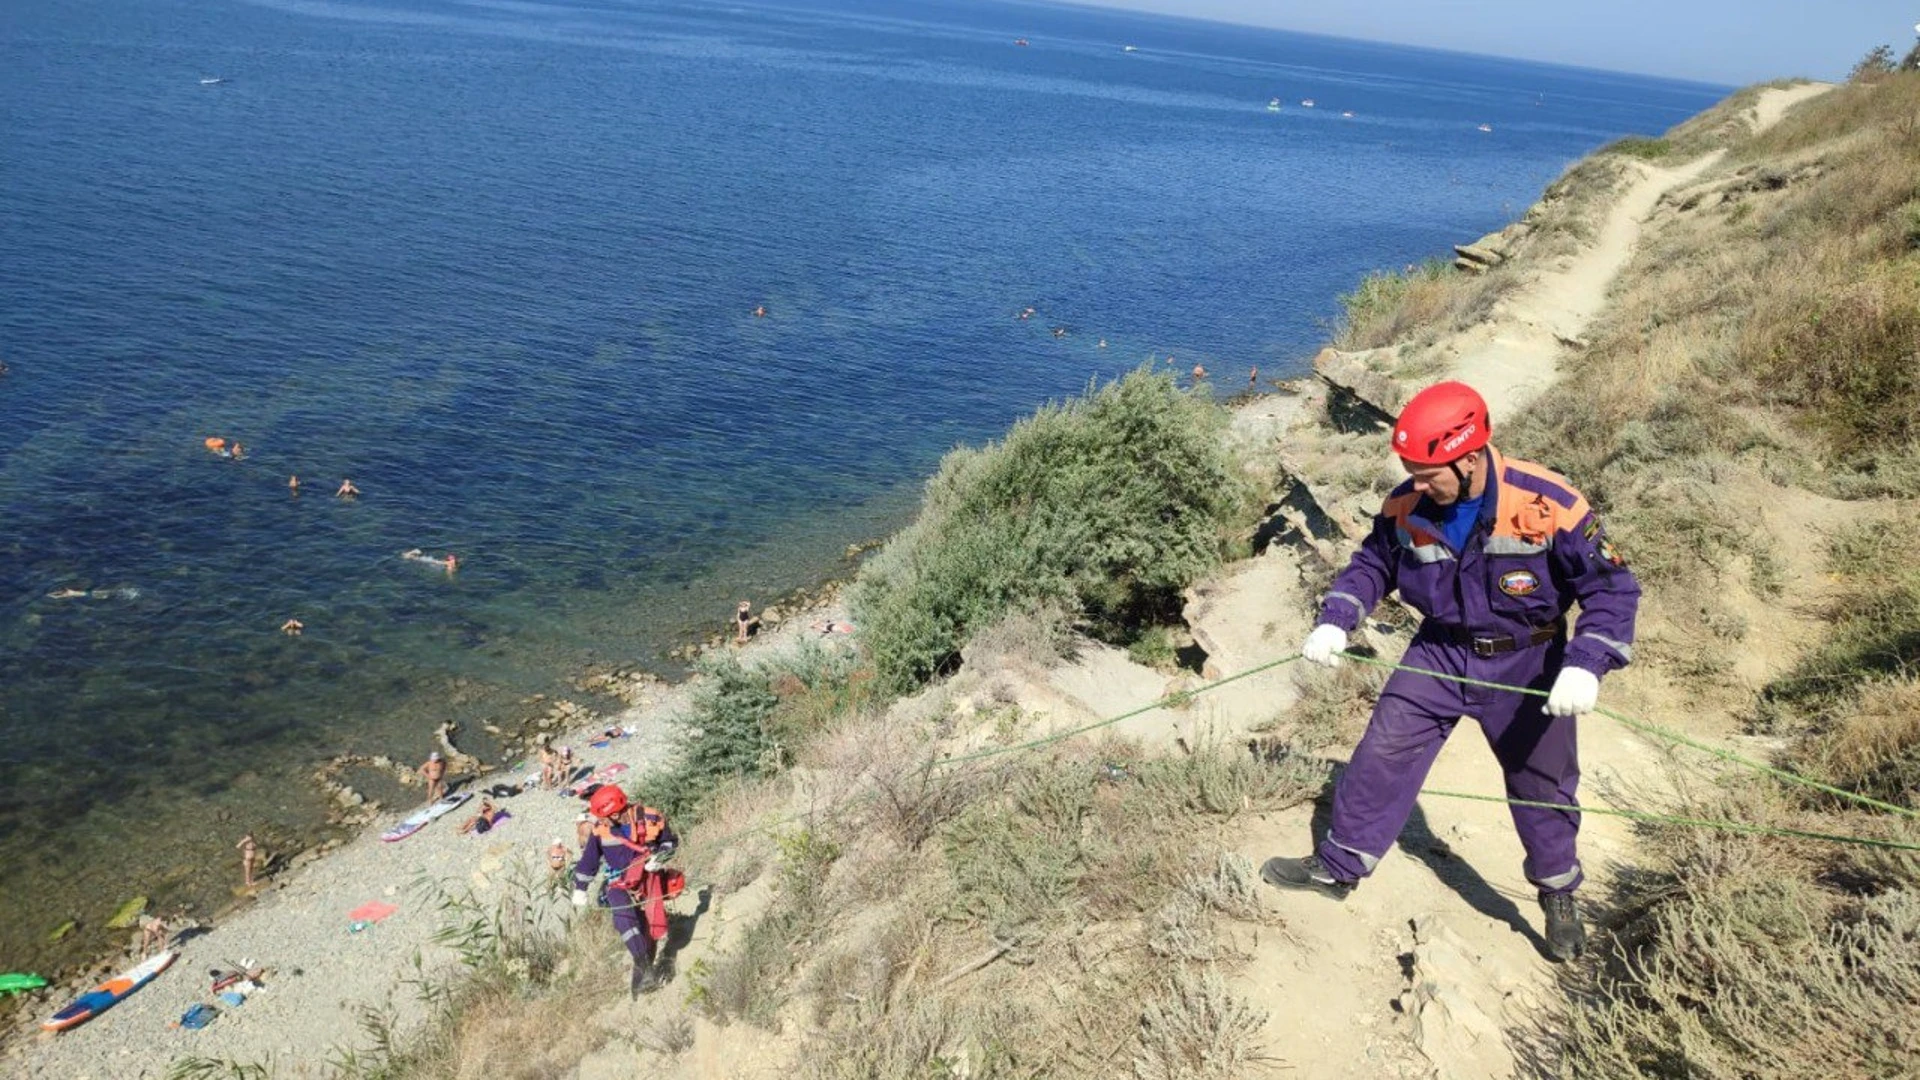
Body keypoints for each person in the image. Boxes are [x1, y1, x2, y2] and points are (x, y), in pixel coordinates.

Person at [1259, 381, 1640, 962]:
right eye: (1410, 470)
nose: (1416, 484)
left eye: (1427, 472)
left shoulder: (1547, 504)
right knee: (1382, 751)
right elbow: (1371, 566)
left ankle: (1558, 892)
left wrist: (1586, 664)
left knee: (1542, 786)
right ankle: (1338, 868)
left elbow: (1612, 588)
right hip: (1438, 651)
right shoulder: (1406, 505)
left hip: (1528, 660)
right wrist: (1337, 618)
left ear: (1467, 458)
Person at [573, 786, 680, 996]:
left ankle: (649, 965)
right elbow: (589, 862)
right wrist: (580, 888)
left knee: (649, 924)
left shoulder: (651, 817)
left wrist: (661, 858)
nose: (600, 820)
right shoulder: (600, 831)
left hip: (649, 876)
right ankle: (644, 967)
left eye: (602, 816)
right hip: (619, 880)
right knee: (623, 917)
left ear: (614, 813)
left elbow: (669, 841)